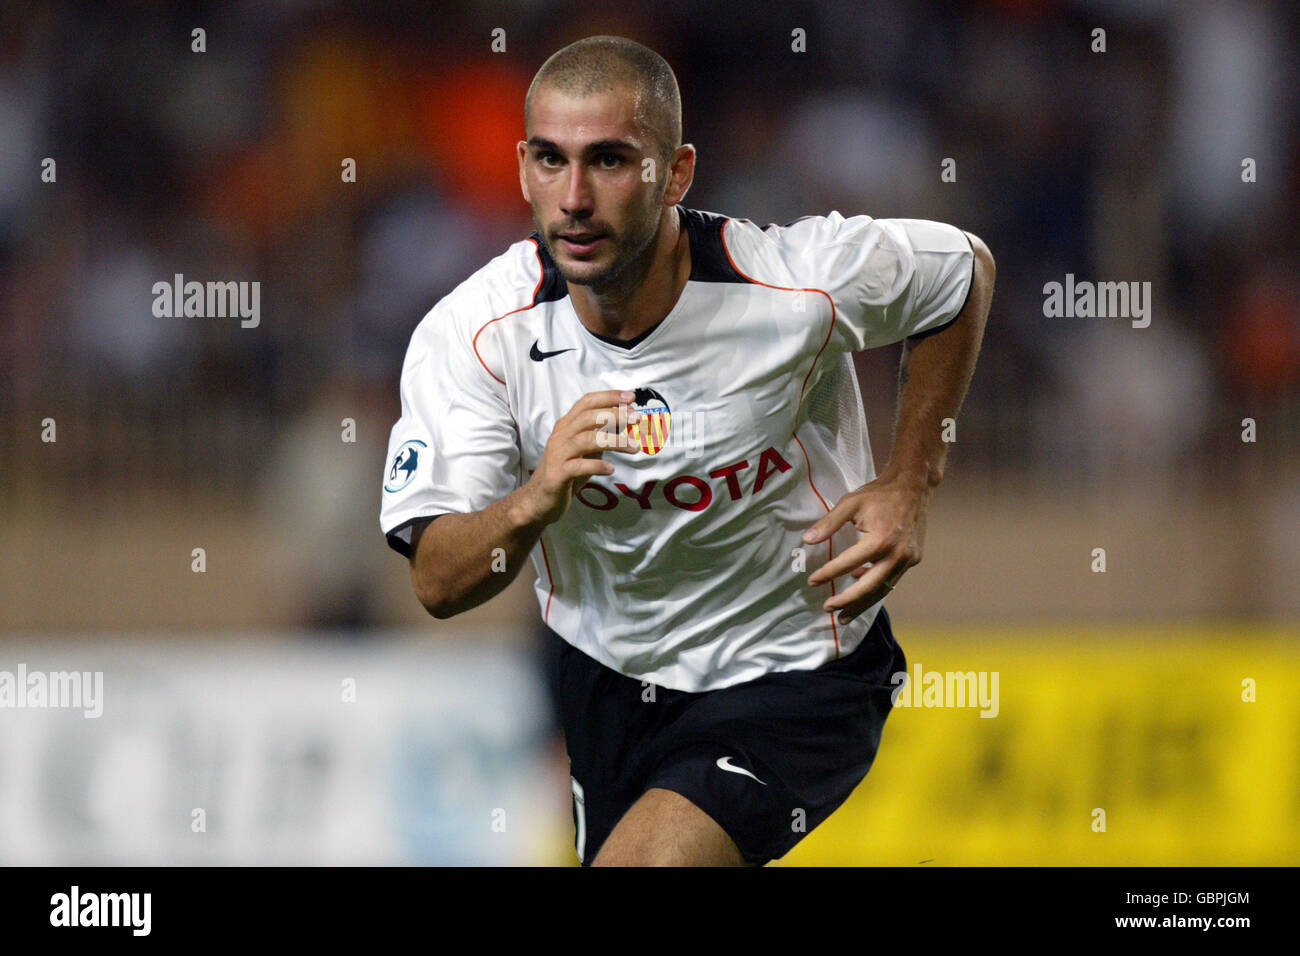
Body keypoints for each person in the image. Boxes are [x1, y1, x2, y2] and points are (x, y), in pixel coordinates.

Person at [380, 35, 995, 866]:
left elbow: (961, 275)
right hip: (608, 678)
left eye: (608, 160)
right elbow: (439, 584)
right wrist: (534, 500)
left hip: (796, 667)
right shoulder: (476, 336)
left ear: (675, 174)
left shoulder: (789, 286)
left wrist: (910, 480)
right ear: (522, 166)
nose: (574, 198)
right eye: (551, 161)